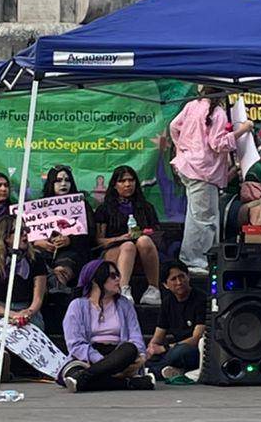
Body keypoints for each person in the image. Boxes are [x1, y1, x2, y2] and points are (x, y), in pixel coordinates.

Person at [169, 88, 253, 272]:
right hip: (203, 171)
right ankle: (194, 260)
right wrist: (242, 130)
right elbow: (218, 144)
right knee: (203, 219)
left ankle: (196, 258)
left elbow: (173, 127)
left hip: (189, 166)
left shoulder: (192, 105)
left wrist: (182, 148)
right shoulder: (218, 113)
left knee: (197, 216)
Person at [62, 258, 151, 392]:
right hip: (88, 356)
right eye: (112, 276)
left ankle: (84, 378)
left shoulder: (124, 304)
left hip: (119, 355)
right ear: (95, 280)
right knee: (71, 372)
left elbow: (135, 336)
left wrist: (141, 356)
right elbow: (75, 344)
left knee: (130, 348)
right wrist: (103, 362)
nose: (118, 280)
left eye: (118, 275)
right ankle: (130, 383)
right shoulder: (77, 306)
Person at [0, 215, 49, 376]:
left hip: (27, 309)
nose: (25, 234)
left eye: (26, 230)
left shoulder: (36, 259)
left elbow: (38, 297)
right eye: (19, 231)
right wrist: (11, 314)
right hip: (0, 308)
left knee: (33, 327)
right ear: (6, 236)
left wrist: (28, 312)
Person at [95, 165, 161, 306]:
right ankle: (122, 289)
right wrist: (120, 238)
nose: (127, 184)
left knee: (143, 241)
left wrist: (144, 233)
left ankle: (153, 289)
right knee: (128, 246)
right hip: (114, 250)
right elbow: (98, 241)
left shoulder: (146, 207)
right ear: (114, 185)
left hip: (143, 253)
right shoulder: (104, 209)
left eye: (131, 180)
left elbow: (157, 233)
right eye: (122, 181)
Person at [30, 164, 95, 288]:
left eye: (67, 180)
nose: (63, 184)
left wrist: (70, 240)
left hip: (73, 251)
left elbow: (91, 234)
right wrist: (37, 242)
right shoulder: (39, 206)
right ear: (51, 183)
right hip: (43, 251)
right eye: (59, 181)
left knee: (64, 267)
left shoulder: (81, 205)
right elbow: (27, 233)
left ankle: (58, 289)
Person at [144, 261, 206, 382]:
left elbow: (197, 337)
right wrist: (150, 350)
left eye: (182, 276)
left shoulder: (201, 299)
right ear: (165, 285)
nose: (179, 282)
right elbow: (157, 337)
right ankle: (172, 370)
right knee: (149, 356)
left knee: (179, 352)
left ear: (188, 277)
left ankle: (151, 372)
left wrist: (166, 348)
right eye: (173, 279)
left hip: (193, 348)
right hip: (174, 350)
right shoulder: (167, 302)